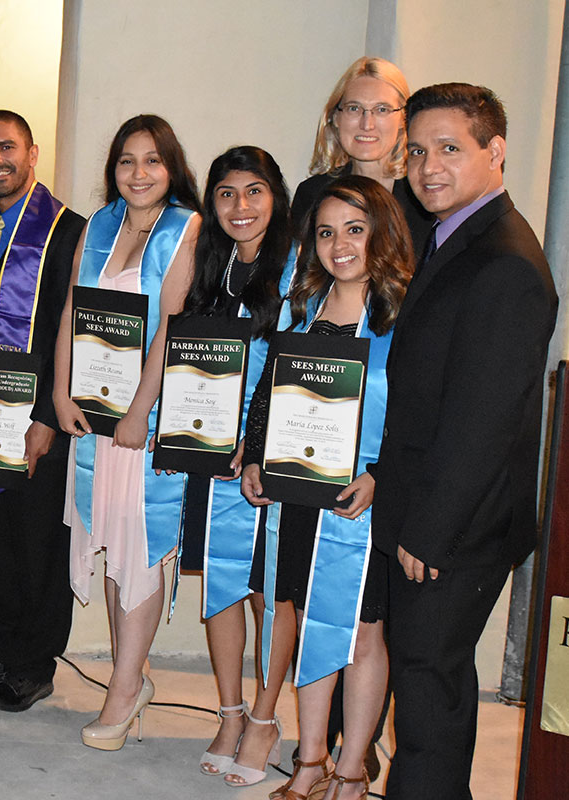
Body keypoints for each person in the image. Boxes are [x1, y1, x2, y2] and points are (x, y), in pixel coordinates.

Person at [378, 83, 556, 800]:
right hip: (435, 511)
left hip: (453, 527)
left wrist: (429, 530)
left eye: (449, 149)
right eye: (416, 150)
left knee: (425, 692)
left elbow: (482, 420)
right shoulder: (448, 233)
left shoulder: (506, 264)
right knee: (432, 680)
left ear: (495, 152)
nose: (427, 167)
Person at [238, 174, 410, 800]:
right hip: (300, 495)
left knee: (363, 632)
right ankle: (310, 761)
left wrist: (380, 477)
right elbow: (268, 390)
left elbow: (421, 414)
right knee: (309, 620)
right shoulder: (300, 305)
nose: (340, 245)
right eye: (327, 232)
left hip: (362, 497)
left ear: (382, 234)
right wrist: (256, 455)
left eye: (355, 230)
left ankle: (352, 769)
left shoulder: (404, 312)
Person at [51, 114, 198, 750]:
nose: (138, 174)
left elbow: (172, 326)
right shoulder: (100, 225)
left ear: (171, 168)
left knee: (139, 547)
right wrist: (58, 389)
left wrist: (141, 408)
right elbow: (72, 312)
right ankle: (128, 678)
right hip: (93, 413)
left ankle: (124, 688)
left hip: (145, 418)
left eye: (151, 161)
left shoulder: (185, 229)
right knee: (113, 544)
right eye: (126, 161)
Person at [0, 110, 86, 713]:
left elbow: (74, 329)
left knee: (36, 546)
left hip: (35, 420)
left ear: (33, 152)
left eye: (6, 147)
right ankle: (6, 647)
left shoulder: (68, 231)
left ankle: (35, 664)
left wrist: (48, 418)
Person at [174, 146, 298, 785]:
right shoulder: (210, 266)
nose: (240, 206)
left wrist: (256, 442)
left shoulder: (301, 273)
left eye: (254, 192)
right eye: (226, 194)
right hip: (211, 454)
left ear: (275, 198)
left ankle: (267, 716)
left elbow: (298, 372)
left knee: (267, 591)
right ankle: (228, 710)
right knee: (220, 584)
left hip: (268, 458)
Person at [291, 57, 430, 239]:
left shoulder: (426, 192)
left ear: (404, 119)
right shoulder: (311, 194)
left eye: (382, 109)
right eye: (354, 108)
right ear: (335, 117)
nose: (367, 124)